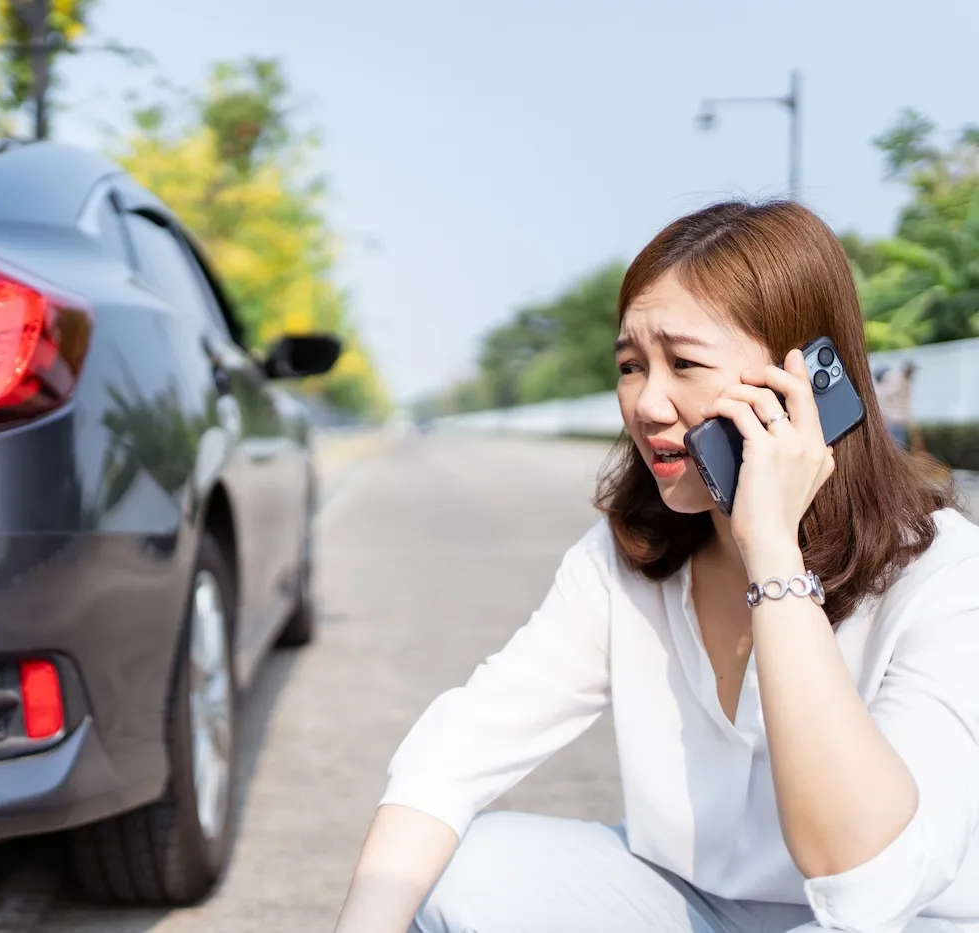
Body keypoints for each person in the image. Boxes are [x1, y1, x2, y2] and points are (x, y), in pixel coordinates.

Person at [333, 200, 979, 933]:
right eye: (631, 365)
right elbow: (461, 748)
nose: (646, 402)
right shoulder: (626, 560)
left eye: (685, 363)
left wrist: (771, 552)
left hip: (907, 920)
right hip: (691, 908)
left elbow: (866, 886)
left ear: (805, 384)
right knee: (449, 870)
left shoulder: (944, 573)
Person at [877, 360, 917, 449]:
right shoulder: (895, 378)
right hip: (891, 419)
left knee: (899, 448)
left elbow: (906, 404)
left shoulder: (906, 382)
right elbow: (885, 393)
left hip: (899, 420)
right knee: (891, 446)